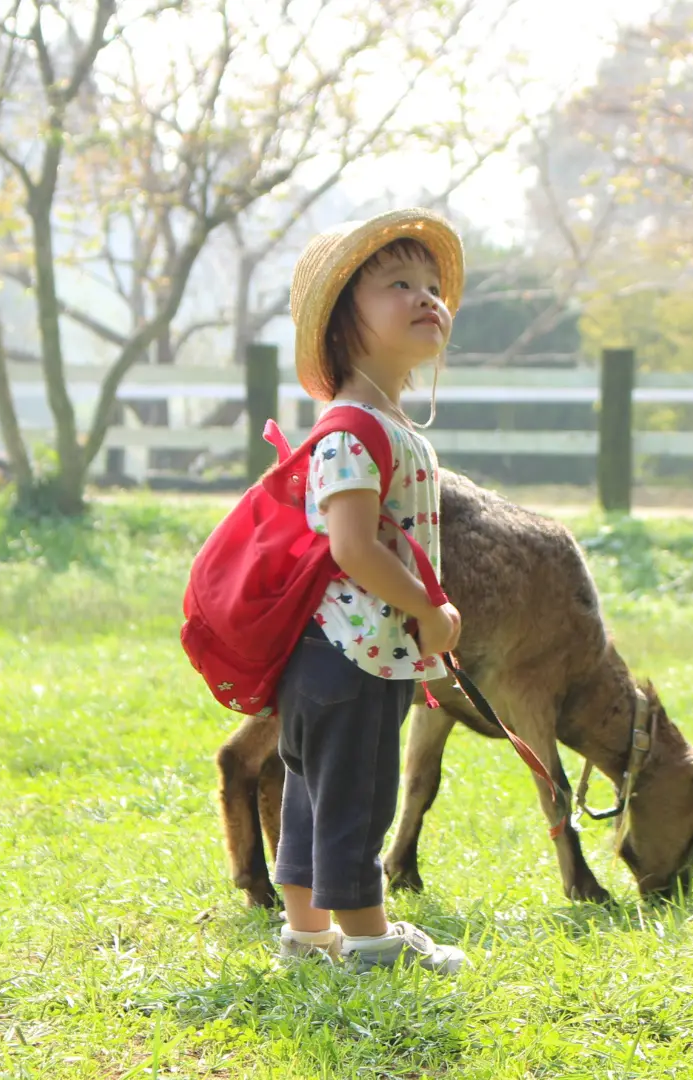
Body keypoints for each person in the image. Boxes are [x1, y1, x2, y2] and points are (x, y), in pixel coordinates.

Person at [272, 208, 468, 974]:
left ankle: (308, 934)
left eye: (432, 287)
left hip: (350, 653)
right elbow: (352, 547)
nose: (427, 299)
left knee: (313, 797)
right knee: (354, 799)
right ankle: (371, 943)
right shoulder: (353, 429)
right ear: (344, 321)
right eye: (398, 285)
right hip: (349, 655)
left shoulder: (384, 422)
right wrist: (430, 608)